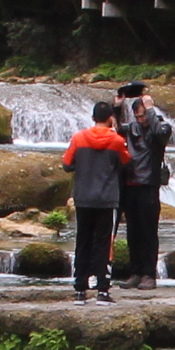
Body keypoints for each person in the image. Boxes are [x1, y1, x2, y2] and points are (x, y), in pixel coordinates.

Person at [62, 102, 130, 301]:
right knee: (103, 243)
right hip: (107, 199)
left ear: (93, 118)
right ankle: (102, 289)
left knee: (82, 240)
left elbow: (67, 165)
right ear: (110, 118)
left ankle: (80, 289)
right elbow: (126, 162)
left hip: (83, 197)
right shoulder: (117, 141)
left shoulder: (78, 138)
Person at [114, 79, 175, 289]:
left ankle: (149, 274)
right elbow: (114, 129)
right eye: (138, 116)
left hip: (148, 185)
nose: (141, 119)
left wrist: (149, 108)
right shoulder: (131, 127)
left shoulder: (161, 128)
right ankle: (135, 272)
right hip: (129, 185)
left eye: (143, 115)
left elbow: (161, 134)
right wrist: (117, 105)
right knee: (133, 232)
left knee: (149, 232)